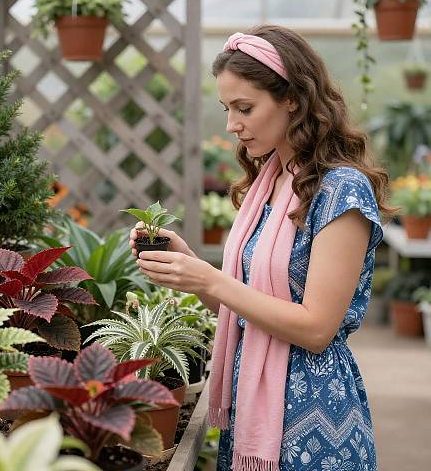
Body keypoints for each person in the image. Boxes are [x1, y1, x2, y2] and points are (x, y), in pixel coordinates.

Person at [129, 25, 393, 471]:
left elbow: (315, 328)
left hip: (312, 421)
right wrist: (190, 267)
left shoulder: (340, 190)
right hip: (257, 408)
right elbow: (249, 307)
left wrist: (211, 278)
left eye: (244, 108)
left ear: (292, 97)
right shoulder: (272, 180)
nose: (232, 124)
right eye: (227, 108)